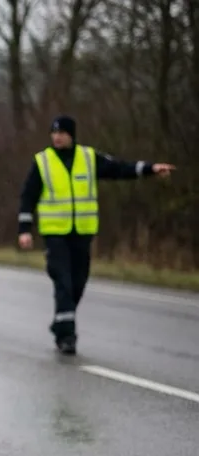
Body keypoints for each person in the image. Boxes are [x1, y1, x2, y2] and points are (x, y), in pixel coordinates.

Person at [17, 115, 175, 355]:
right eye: (54, 132)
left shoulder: (88, 157)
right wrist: (24, 230)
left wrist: (150, 169)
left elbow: (118, 169)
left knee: (78, 282)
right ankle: (67, 337)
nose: (57, 137)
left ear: (71, 135)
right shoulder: (42, 161)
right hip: (55, 233)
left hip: (82, 232)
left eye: (62, 133)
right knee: (63, 281)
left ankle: (61, 324)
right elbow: (28, 196)